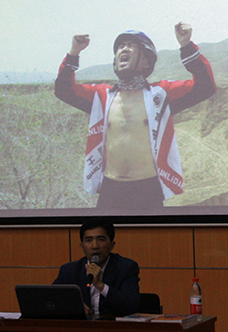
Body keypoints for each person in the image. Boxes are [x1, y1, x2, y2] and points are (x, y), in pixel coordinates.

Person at [54, 22, 216, 210]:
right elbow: (63, 90)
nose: (124, 49)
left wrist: (186, 46)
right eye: (120, 47)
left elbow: (205, 86)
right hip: (110, 191)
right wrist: (74, 52)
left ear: (145, 61)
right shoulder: (101, 96)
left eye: (131, 45)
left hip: (147, 191)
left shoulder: (160, 94)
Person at [52, 219, 140, 317]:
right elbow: (51, 299)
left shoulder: (126, 268)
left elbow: (132, 305)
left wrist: (100, 285)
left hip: (113, 324)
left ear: (112, 245)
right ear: (82, 246)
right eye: (88, 240)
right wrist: (72, 307)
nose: (95, 246)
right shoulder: (69, 270)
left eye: (101, 239)